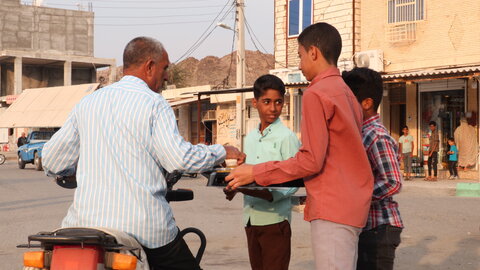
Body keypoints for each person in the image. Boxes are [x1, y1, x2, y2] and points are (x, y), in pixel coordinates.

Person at [42, 37, 244, 270]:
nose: (167, 76)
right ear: (149, 66)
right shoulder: (154, 104)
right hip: (145, 228)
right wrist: (221, 151)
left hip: (85, 228)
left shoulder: (87, 103)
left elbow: (52, 161)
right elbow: (180, 158)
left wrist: (74, 170)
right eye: (165, 68)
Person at [225, 22, 374, 270]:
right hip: (351, 206)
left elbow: (310, 160)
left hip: (333, 208)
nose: (300, 63)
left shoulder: (317, 93)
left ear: (313, 52)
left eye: (300, 55)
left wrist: (255, 172)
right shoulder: (346, 92)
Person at [224, 74, 300, 270]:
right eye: (267, 102)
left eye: (278, 102)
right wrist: (232, 186)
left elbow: (294, 181)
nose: (273, 108)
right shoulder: (249, 138)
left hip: (275, 221)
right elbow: (245, 175)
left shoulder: (286, 137)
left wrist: (267, 193)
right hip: (250, 219)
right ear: (255, 103)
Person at [342, 67, 403, 270]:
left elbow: (393, 182)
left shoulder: (376, 135)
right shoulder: (360, 132)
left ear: (366, 103)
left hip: (380, 227)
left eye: (349, 101)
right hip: (367, 226)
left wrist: (356, 196)